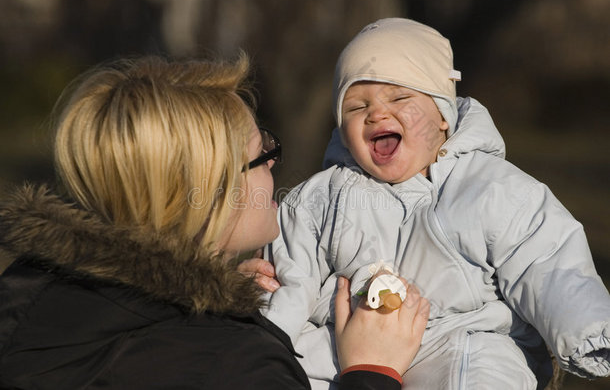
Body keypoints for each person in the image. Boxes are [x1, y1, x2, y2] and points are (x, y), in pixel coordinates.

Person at [0, 54, 430, 389]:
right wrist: (370, 374)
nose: (275, 164)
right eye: (263, 152)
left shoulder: (28, 289)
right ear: (215, 189)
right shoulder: (237, 366)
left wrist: (215, 296)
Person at [262, 18, 610, 389]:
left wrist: (588, 332)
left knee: (485, 370)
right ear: (343, 135)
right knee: (302, 362)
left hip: (460, 340)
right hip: (351, 348)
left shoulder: (489, 186)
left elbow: (545, 257)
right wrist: (265, 342)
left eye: (399, 97)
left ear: (443, 116)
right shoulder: (320, 199)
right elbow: (289, 276)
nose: (376, 113)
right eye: (355, 107)